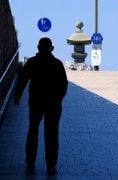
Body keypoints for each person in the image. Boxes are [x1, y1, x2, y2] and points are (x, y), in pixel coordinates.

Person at [14, 37, 68, 175]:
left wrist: (17, 95)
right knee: (52, 134)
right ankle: (51, 165)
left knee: (33, 130)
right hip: (53, 105)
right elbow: (63, 86)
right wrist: (58, 100)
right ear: (52, 48)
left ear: (38, 48)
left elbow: (22, 79)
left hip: (36, 102)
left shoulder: (32, 62)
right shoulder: (57, 64)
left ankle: (30, 159)